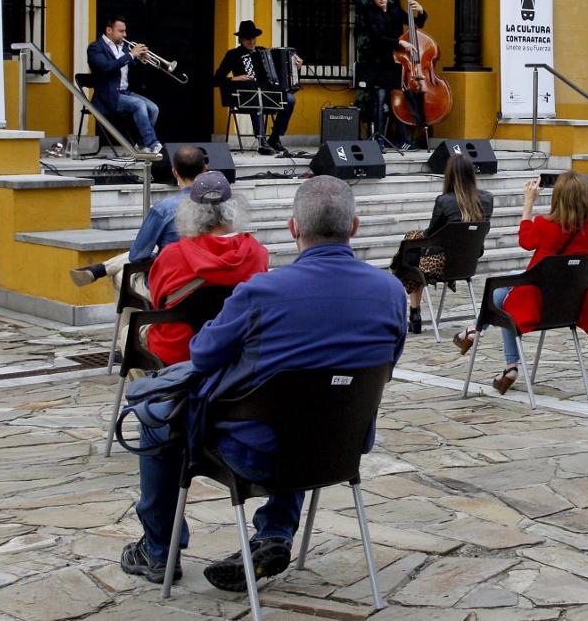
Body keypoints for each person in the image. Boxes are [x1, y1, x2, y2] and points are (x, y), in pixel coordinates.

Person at [121, 175, 406, 591]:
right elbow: (388, 364)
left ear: (294, 228)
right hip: (340, 443)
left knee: (156, 417)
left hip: (256, 452)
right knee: (308, 404)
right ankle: (274, 532)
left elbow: (202, 354)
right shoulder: (392, 291)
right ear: (355, 227)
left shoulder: (264, 292)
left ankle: (158, 550)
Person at [451, 171, 588, 395]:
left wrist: (528, 203)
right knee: (505, 287)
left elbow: (525, 241)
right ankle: (478, 335)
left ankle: (484, 339)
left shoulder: (545, 224)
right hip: (569, 303)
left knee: (501, 298)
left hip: (538, 301)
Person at [145, 171, 268, 365]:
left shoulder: (172, 255)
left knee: (130, 330)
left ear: (190, 211)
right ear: (233, 209)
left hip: (179, 354)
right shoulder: (257, 253)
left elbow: (158, 299)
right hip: (234, 352)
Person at [69, 145, 208, 290]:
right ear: (205, 169)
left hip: (173, 285)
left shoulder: (163, 209)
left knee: (123, 274)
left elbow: (137, 256)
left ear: (174, 172)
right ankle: (99, 269)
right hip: (208, 280)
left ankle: (121, 304)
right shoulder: (222, 207)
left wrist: (157, 256)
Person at [392, 153, 494, 333]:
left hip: (440, 263)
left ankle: (414, 311)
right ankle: (413, 307)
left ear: (450, 175)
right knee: (413, 247)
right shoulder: (487, 199)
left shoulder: (445, 200)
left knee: (411, 247)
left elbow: (430, 234)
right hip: (468, 263)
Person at [214, 20, 302, 155]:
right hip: (245, 97)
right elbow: (216, 79)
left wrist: (296, 67)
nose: (252, 41)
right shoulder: (233, 55)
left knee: (290, 99)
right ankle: (261, 141)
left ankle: (274, 138)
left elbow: (282, 74)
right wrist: (233, 78)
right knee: (257, 97)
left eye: (253, 37)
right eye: (248, 38)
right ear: (241, 39)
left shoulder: (264, 52)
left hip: (268, 95)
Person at [357, 0, 427, 149]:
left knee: (398, 100)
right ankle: (379, 140)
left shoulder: (395, 10)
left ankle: (402, 140)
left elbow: (416, 24)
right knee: (380, 100)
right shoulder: (369, 13)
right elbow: (377, 37)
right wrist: (399, 43)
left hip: (396, 63)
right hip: (379, 63)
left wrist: (421, 12)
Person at [85, 14, 162, 153]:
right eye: (121, 31)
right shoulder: (95, 48)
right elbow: (107, 67)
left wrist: (142, 58)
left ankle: (141, 145)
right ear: (109, 30)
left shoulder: (124, 47)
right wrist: (131, 55)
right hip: (107, 96)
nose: (125, 34)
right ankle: (151, 143)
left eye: (125, 31)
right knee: (139, 104)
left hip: (124, 92)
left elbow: (128, 65)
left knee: (154, 108)